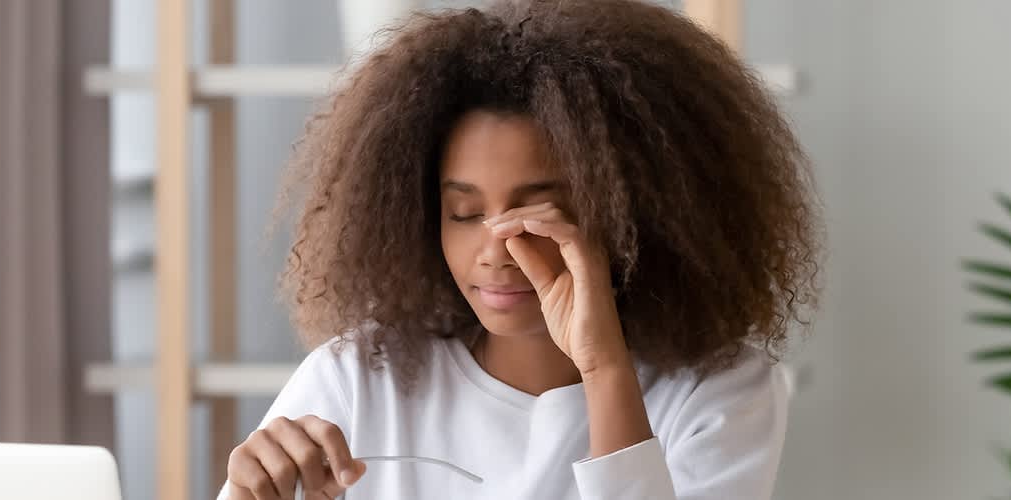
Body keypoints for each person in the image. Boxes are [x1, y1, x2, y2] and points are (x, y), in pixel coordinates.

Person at [220, 0, 820, 498]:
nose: (495, 251)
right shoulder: (359, 378)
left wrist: (603, 367)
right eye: (465, 213)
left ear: (631, 216)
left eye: (537, 215)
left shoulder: (716, 390)